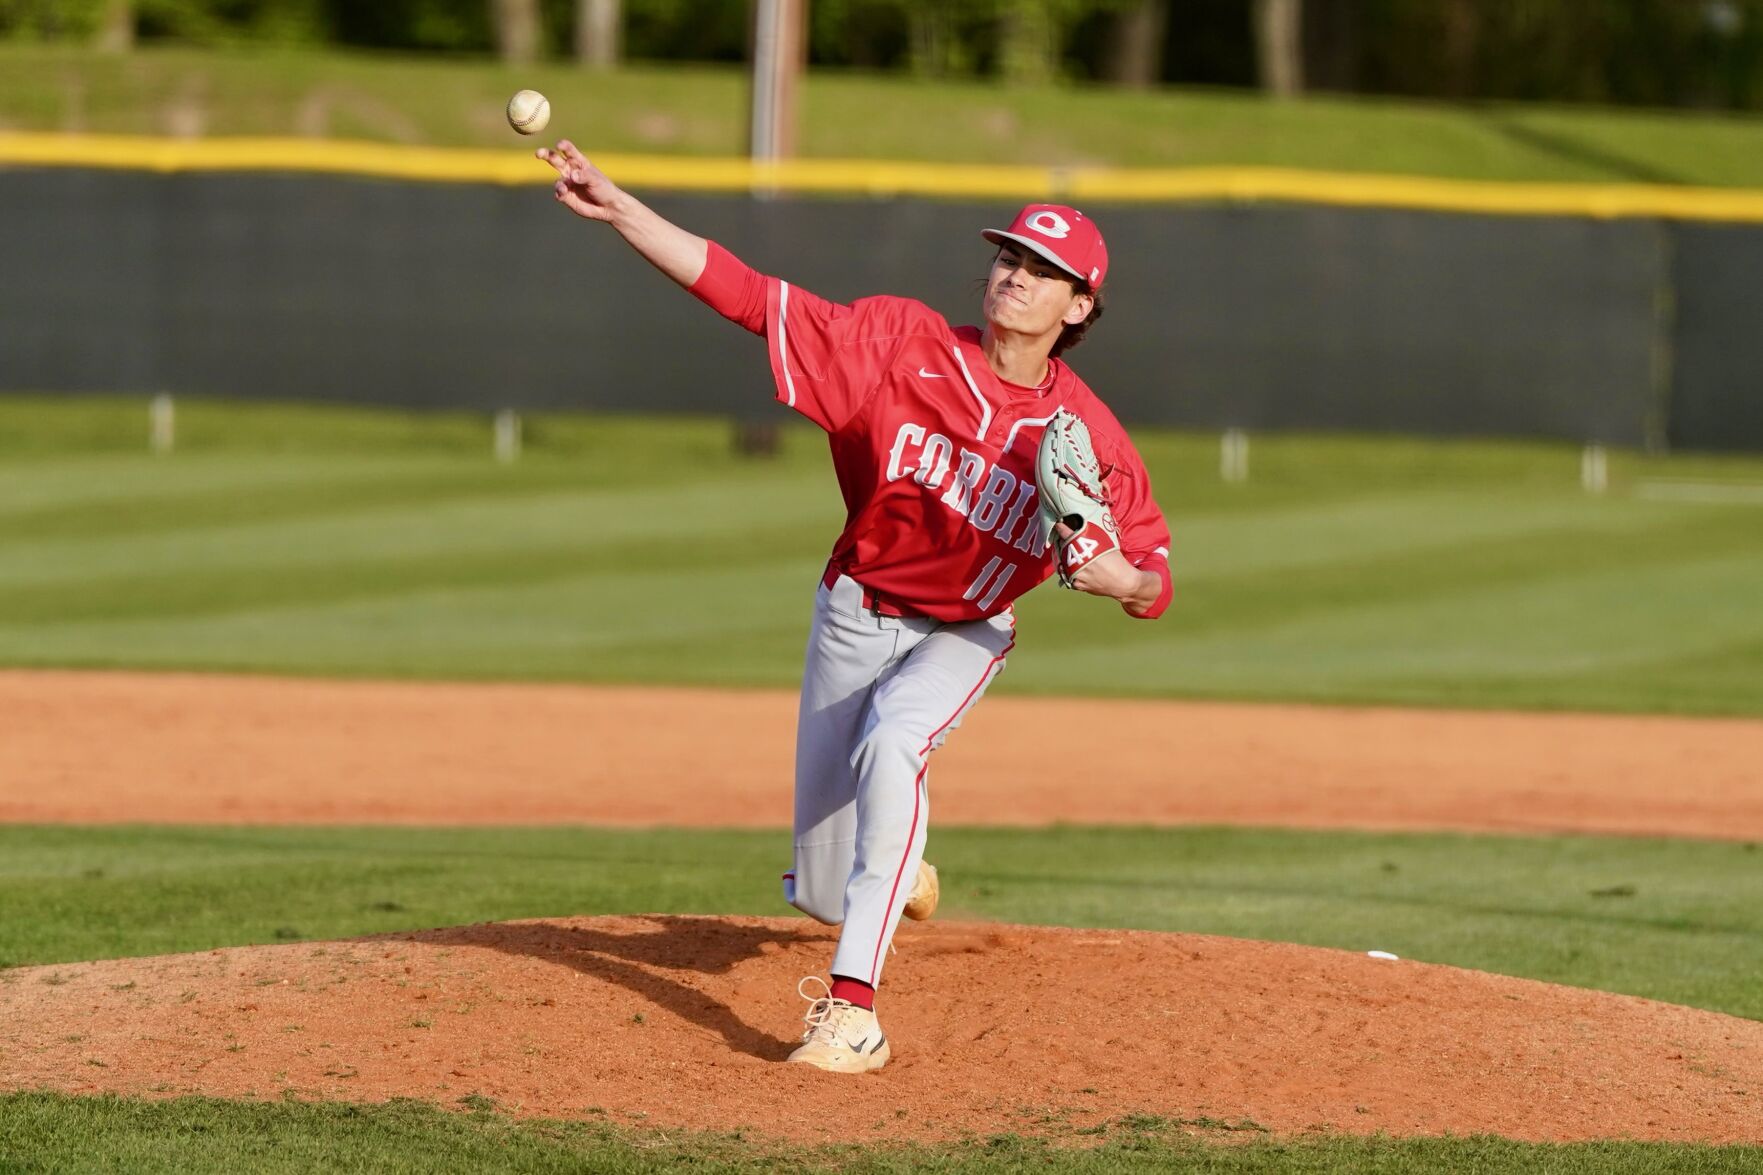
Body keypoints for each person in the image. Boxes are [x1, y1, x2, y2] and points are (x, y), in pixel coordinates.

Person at [536, 140, 1173, 1074]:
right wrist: (622, 206)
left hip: (966, 628)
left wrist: (1121, 581)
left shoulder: (1087, 434)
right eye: (1009, 258)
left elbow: (1153, 574)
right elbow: (750, 297)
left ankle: (851, 1013)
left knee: (895, 744)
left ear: (1078, 308)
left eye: (1044, 273)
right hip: (856, 610)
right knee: (825, 889)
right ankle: (895, 863)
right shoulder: (899, 343)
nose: (1015, 277)